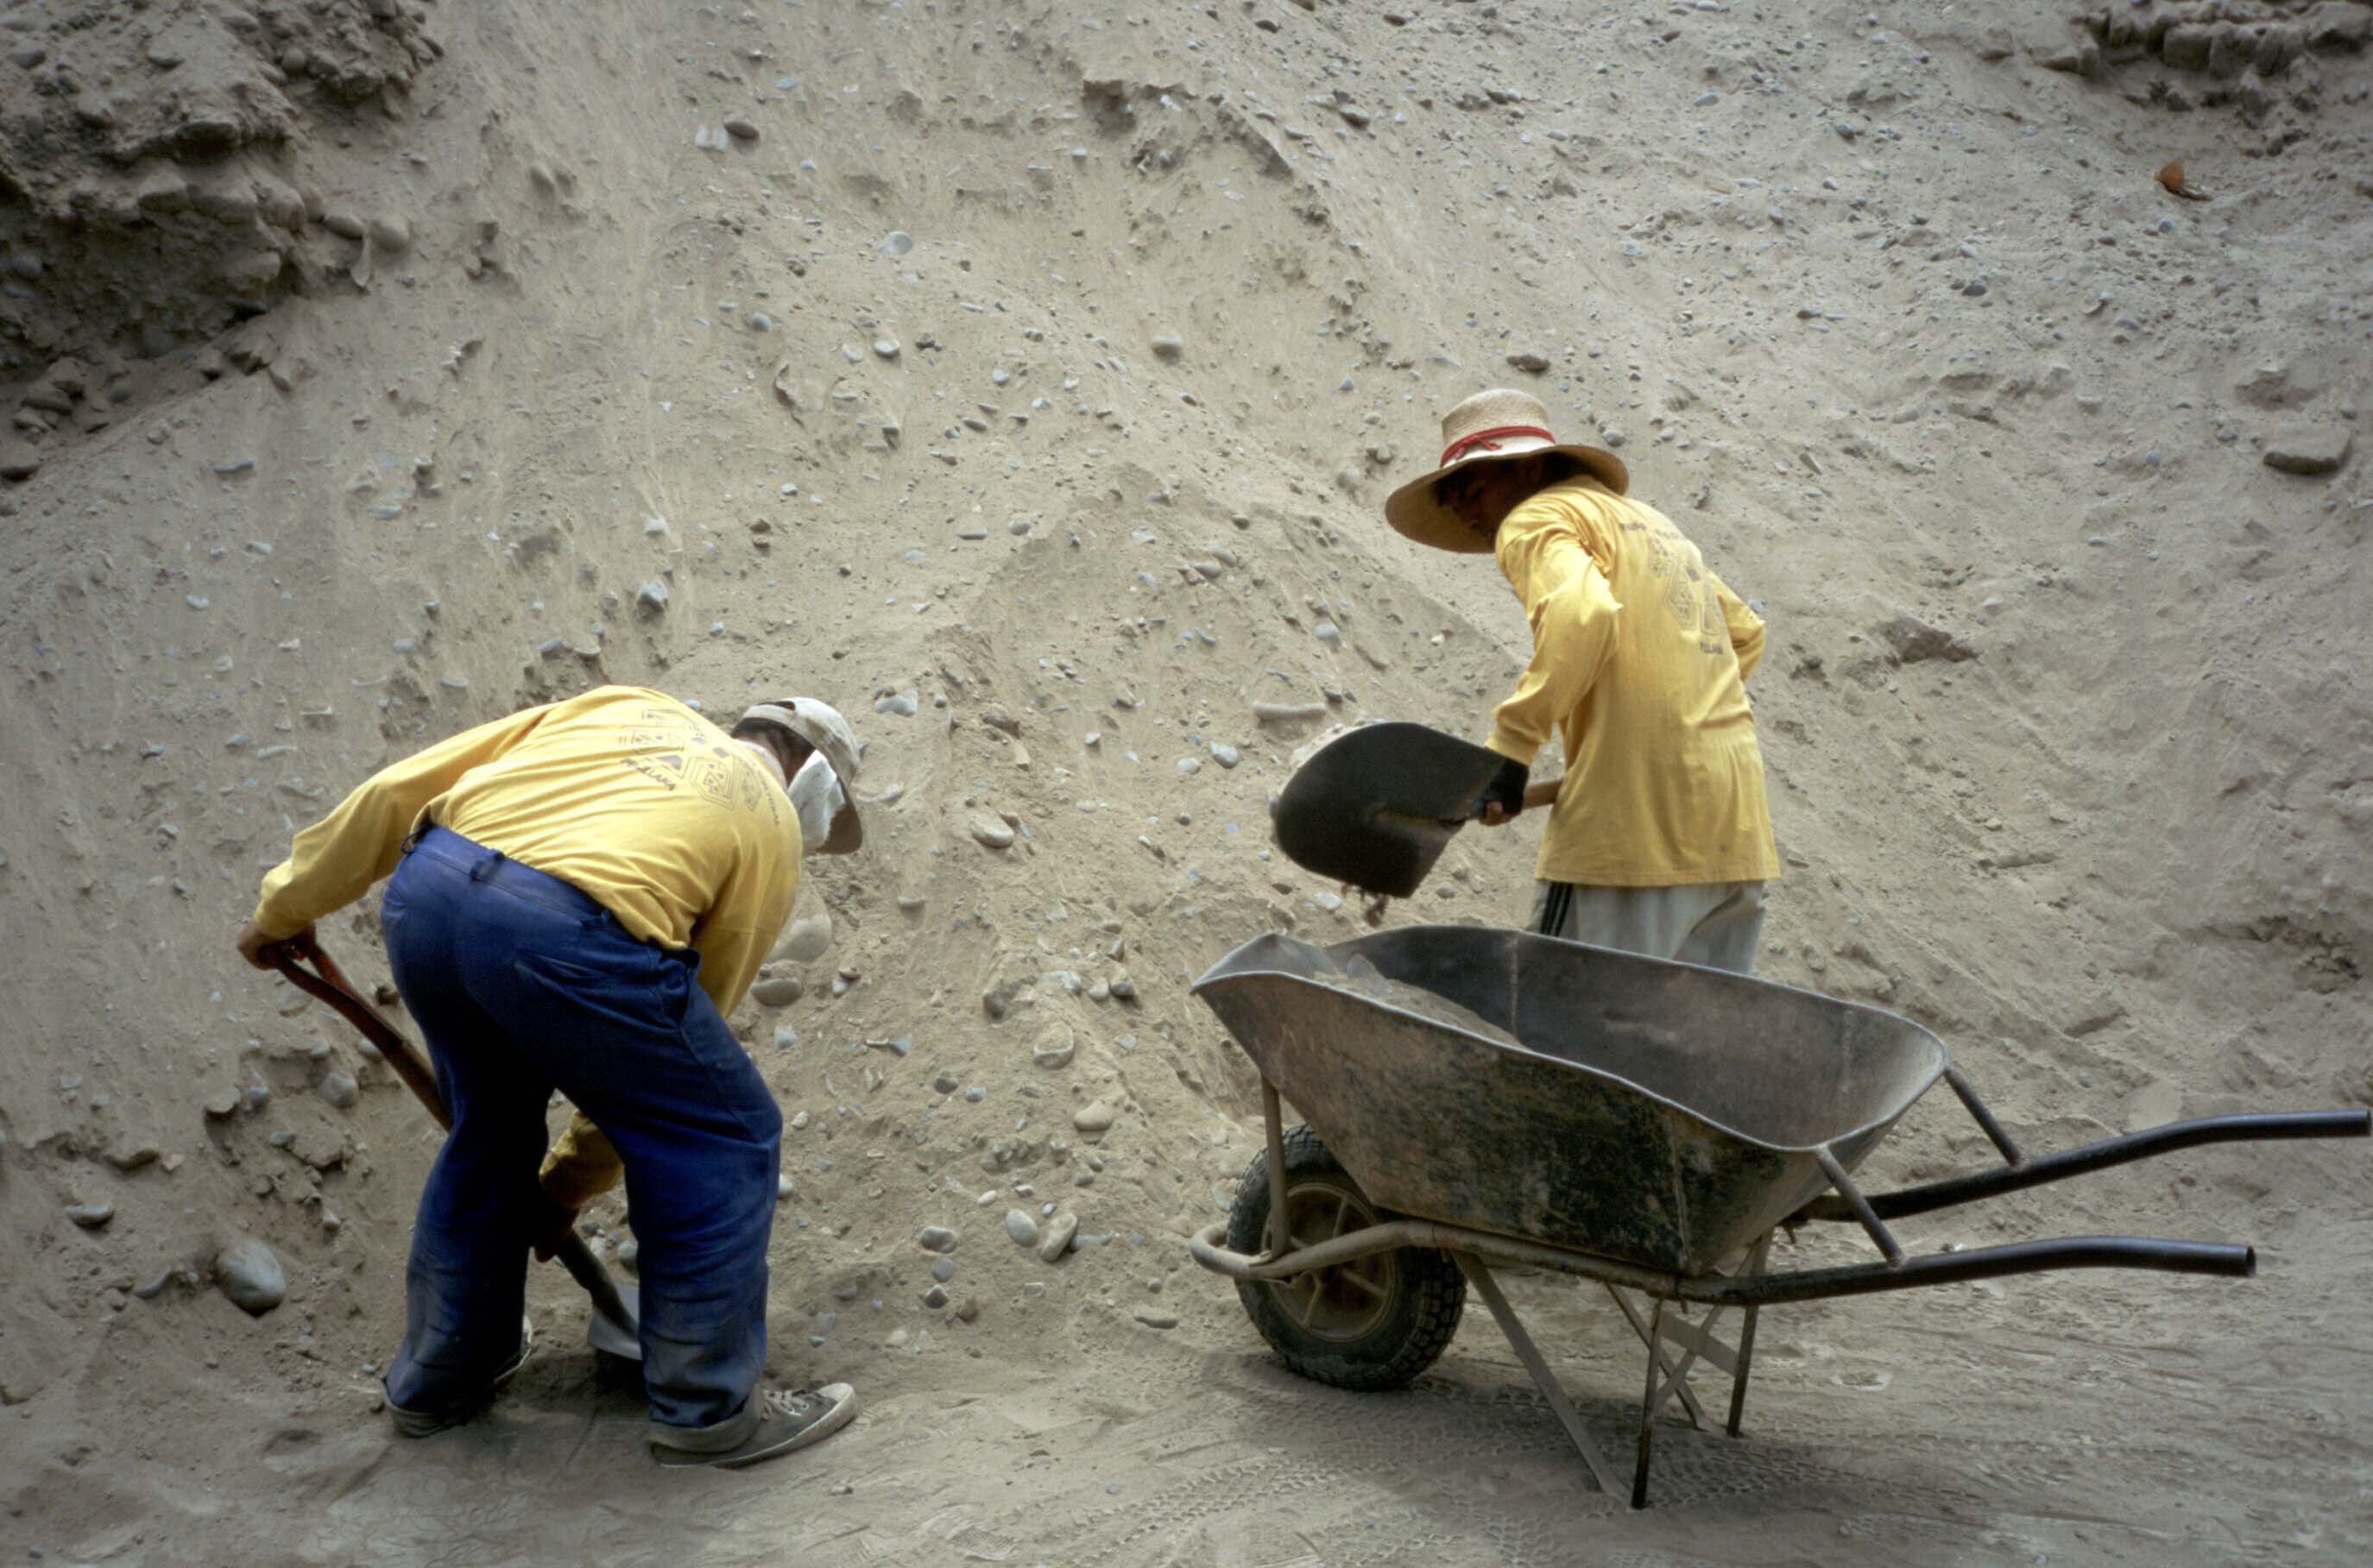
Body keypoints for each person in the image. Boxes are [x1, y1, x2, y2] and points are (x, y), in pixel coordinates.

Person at [234, 685, 868, 1468]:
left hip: (430, 895)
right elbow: (674, 1051)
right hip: (566, 936)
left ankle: (441, 1380)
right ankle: (706, 1411)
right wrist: (567, 1184)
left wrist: (285, 903)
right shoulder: (768, 822)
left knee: (490, 1129)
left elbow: (397, 791)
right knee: (721, 1134)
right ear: (812, 783)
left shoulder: (625, 705)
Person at [1385, 387, 1777, 973]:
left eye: (1473, 489)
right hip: (1735, 833)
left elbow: (1582, 614)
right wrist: (1666, 724)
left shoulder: (1532, 519)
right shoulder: (1651, 526)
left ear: (1528, 470)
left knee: (1567, 1020)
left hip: (1631, 841)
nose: (1463, 511)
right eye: (1451, 498)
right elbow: (1743, 635)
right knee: (1688, 1030)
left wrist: (1511, 749)